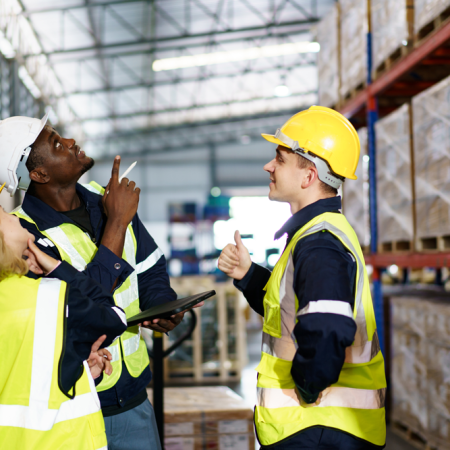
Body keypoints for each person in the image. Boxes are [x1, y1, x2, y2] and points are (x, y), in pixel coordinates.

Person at [0, 114, 186, 450]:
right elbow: (85, 309)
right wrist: (116, 222)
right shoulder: (22, 236)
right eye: (56, 143)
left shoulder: (110, 199)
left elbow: (150, 266)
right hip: (77, 401)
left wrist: (162, 303)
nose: (70, 142)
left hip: (133, 399)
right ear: (38, 173)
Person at [218, 106, 387, 450]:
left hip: (316, 428)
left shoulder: (319, 243)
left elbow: (325, 330)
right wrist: (248, 274)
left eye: (279, 159)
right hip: (320, 428)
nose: (269, 166)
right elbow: (289, 314)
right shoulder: (312, 236)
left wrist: (307, 388)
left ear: (308, 176)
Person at [0, 197, 128, 449]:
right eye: (4, 213)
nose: (15, 217)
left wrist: (78, 368)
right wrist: (59, 269)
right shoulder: (53, 297)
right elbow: (115, 318)